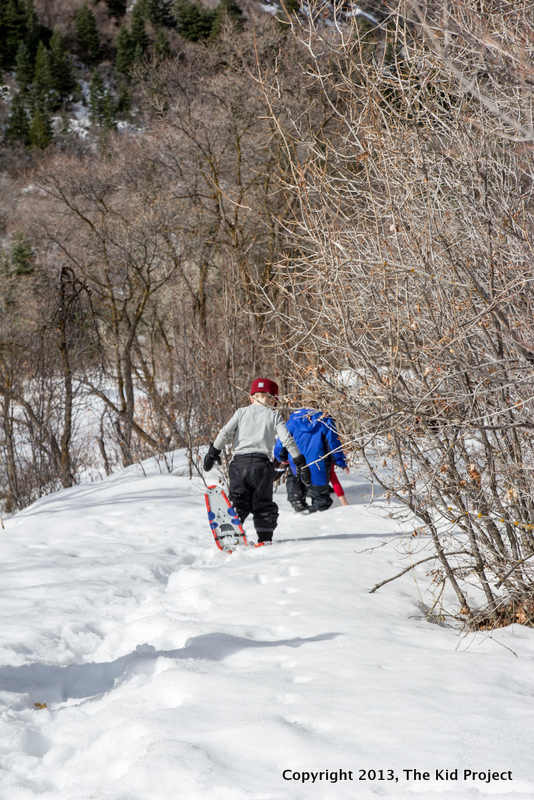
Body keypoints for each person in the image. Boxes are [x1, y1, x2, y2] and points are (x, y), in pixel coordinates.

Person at [203, 378, 311, 544]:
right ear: (274, 400)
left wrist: (213, 452)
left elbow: (225, 433)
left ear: (251, 397)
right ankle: (264, 538)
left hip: (239, 465)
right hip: (262, 466)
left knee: (239, 500)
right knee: (263, 503)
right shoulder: (274, 416)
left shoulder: (241, 412)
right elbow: (288, 440)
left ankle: (233, 527)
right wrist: (300, 462)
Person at [274, 407, 349, 514]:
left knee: (295, 479)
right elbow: (333, 444)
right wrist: (340, 461)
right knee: (320, 495)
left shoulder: (292, 422)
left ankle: (297, 502)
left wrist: (281, 457)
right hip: (319, 463)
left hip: (296, 461)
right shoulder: (325, 420)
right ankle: (318, 514)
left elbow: (282, 441)